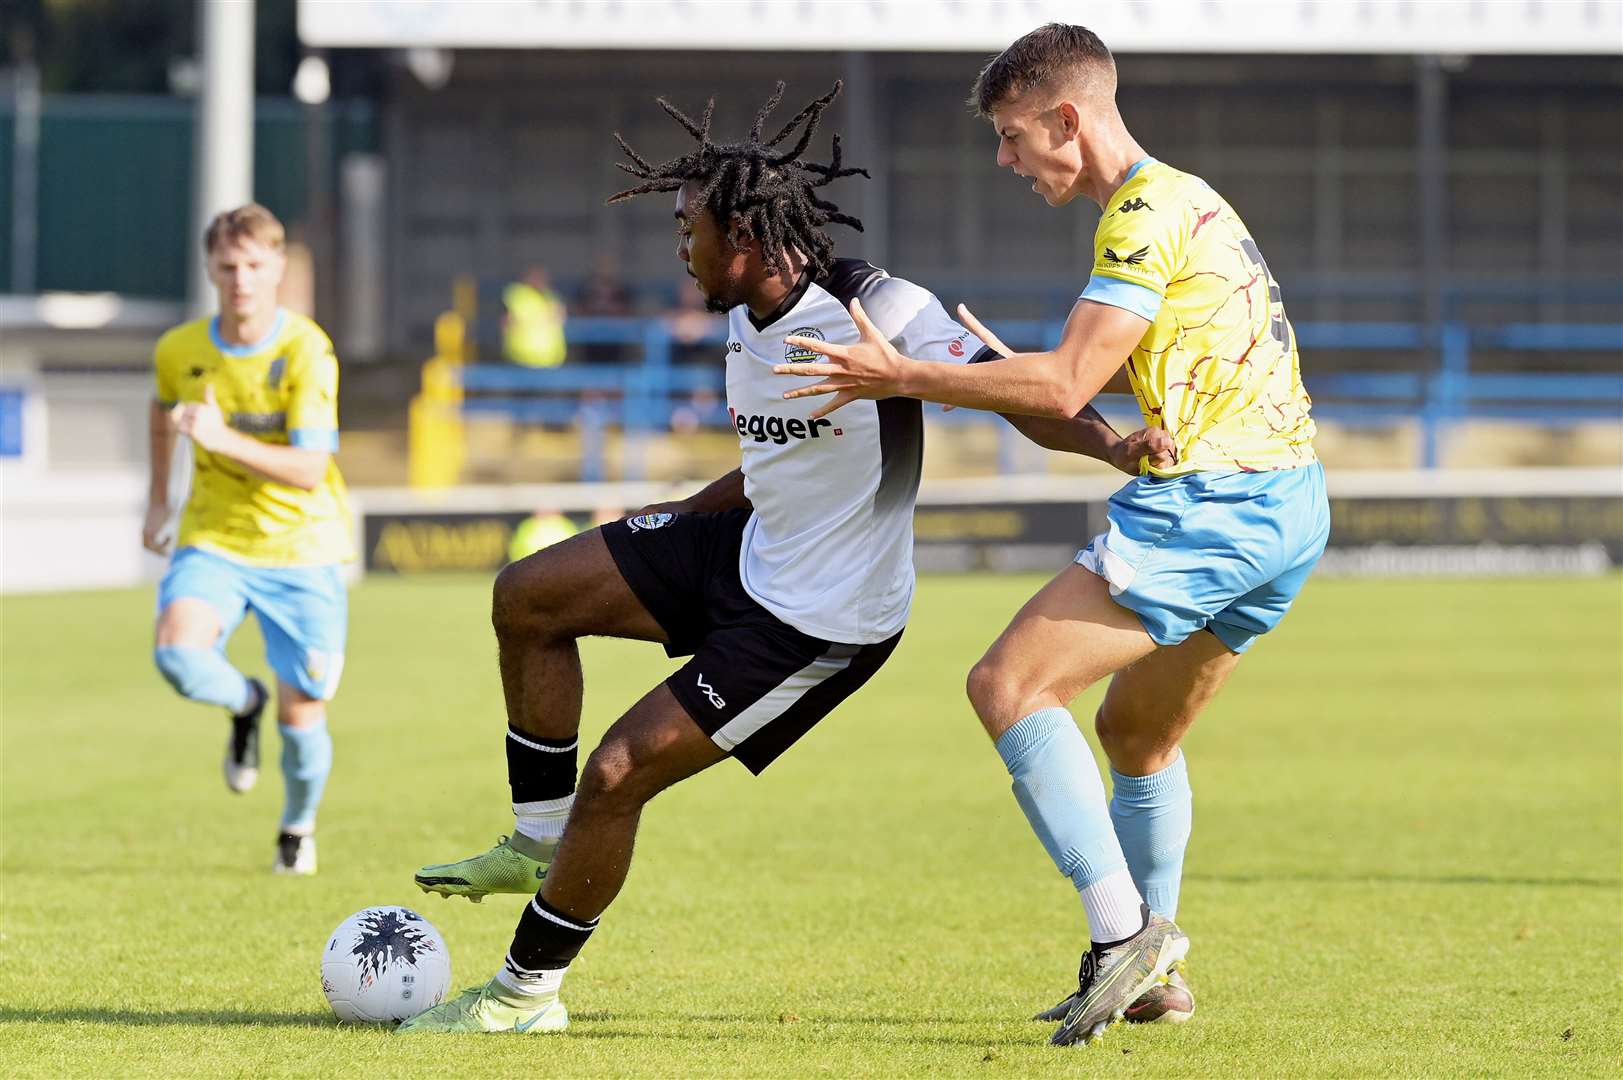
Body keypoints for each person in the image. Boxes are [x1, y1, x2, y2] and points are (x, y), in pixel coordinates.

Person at [399, 81, 1167, 1036]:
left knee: (617, 774)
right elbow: (778, 453)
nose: (679, 249)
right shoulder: (739, 310)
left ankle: (523, 997)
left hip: (819, 621)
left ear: (748, 239)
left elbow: (1020, 399)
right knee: (529, 594)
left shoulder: (879, 307)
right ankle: (535, 838)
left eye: (690, 232)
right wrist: (681, 514)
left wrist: (1113, 445)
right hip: (745, 543)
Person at [776, 23, 1328, 1046]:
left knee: (1007, 688)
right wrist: (1081, 419)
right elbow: (1131, 358)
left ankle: (1125, 936)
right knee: (1137, 736)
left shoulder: (1136, 217)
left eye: (1012, 135)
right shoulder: (1188, 197)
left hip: (1216, 506)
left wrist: (906, 373)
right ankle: (1155, 979)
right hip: (1289, 506)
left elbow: (1067, 379)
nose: (1005, 159)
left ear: (1067, 120)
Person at [144, 203, 353, 875]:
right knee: (177, 654)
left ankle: (296, 826)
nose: (241, 279)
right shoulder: (180, 350)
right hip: (215, 536)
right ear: (209, 268)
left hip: (303, 547)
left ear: (278, 269)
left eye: (255, 266)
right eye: (228, 266)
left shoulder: (306, 351)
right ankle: (244, 704)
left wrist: (220, 438)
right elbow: (161, 409)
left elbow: (308, 470)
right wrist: (157, 501)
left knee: (304, 716)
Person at [502, 265, 567, 368]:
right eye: (534, 276)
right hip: (522, 358)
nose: (539, 280)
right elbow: (507, 323)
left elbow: (561, 317)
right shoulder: (516, 295)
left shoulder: (551, 297)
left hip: (550, 359)